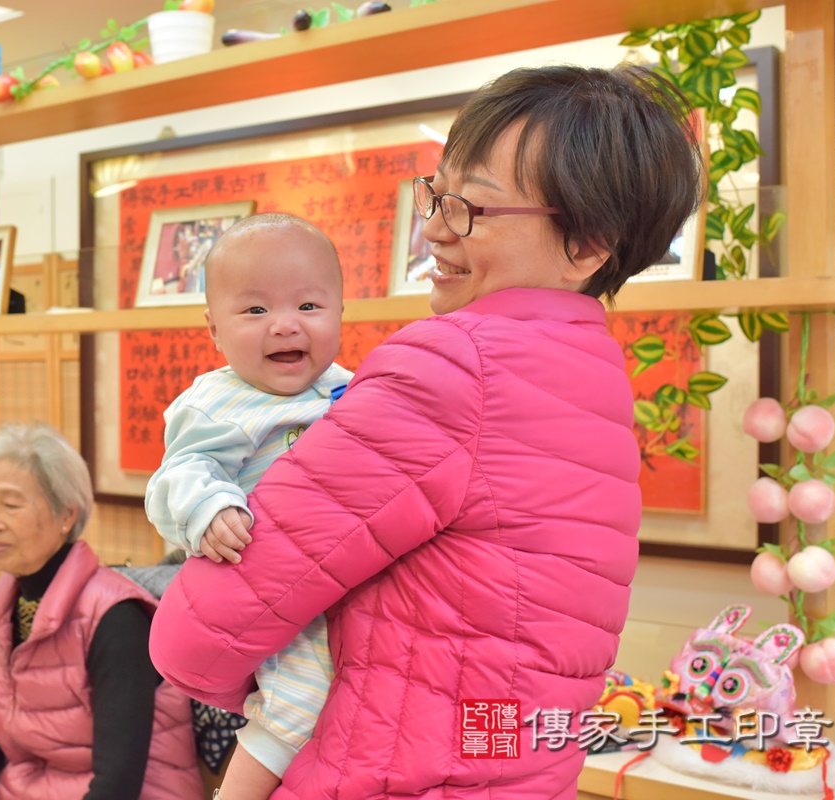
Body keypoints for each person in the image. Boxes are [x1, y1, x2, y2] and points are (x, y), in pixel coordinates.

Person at [149, 63, 702, 799]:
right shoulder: (594, 373)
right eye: (436, 194)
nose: (435, 229)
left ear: (588, 244)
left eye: (470, 207)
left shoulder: (452, 364)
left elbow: (201, 632)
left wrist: (278, 687)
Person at [145, 213, 353, 800]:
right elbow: (177, 477)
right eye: (256, 311)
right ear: (213, 327)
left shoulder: (351, 389)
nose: (285, 326)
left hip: (346, 574)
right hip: (275, 586)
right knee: (302, 696)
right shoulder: (219, 403)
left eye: (309, 307)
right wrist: (210, 510)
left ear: (342, 311)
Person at [0, 423, 203, 800]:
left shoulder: (116, 617)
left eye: (11, 505)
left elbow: (118, 782)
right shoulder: (0, 612)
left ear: (66, 515)